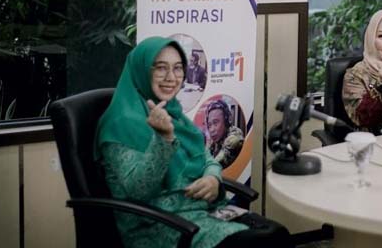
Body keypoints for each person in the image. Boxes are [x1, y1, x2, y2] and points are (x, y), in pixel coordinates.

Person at [95, 36, 290, 248]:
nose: (171, 77)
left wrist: (212, 178)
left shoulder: (173, 113)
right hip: (156, 225)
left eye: (178, 68)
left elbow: (207, 159)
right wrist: (163, 139)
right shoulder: (120, 123)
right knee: (262, 243)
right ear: (142, 71)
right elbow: (139, 190)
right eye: (161, 68)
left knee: (277, 235)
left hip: (200, 212)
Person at [206, 99, 244, 168]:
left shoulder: (235, 137)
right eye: (209, 125)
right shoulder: (215, 141)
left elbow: (214, 165)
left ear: (227, 121)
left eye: (215, 123)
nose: (211, 130)